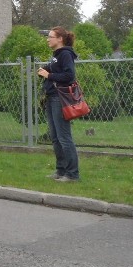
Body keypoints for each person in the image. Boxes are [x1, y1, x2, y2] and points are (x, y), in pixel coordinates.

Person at [37, 27, 80, 182]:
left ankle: (72, 174)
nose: (48, 39)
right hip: (51, 97)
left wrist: (49, 74)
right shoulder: (56, 55)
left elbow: (69, 75)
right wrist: (46, 70)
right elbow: (57, 71)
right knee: (55, 137)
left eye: (50, 37)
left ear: (60, 38)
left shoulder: (66, 54)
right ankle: (61, 170)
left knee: (64, 137)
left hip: (59, 98)